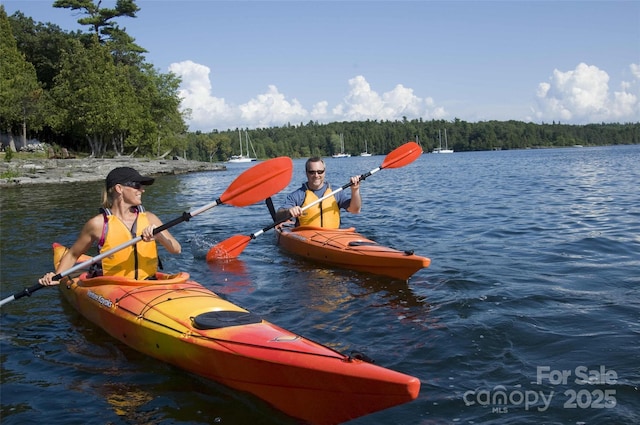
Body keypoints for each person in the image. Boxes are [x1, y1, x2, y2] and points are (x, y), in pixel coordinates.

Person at [39, 167, 181, 285]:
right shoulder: (98, 224)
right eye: (137, 185)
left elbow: (176, 249)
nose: (142, 190)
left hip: (148, 283)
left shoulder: (150, 218)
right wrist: (57, 277)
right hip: (113, 288)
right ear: (119, 188)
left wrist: (159, 235)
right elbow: (73, 254)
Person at [275, 157, 361, 228]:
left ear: (324, 172)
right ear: (306, 173)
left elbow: (355, 210)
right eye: (312, 172)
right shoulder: (297, 195)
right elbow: (279, 215)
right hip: (308, 239)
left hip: (333, 237)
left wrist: (355, 190)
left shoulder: (336, 192)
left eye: (320, 172)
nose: (316, 175)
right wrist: (289, 211)